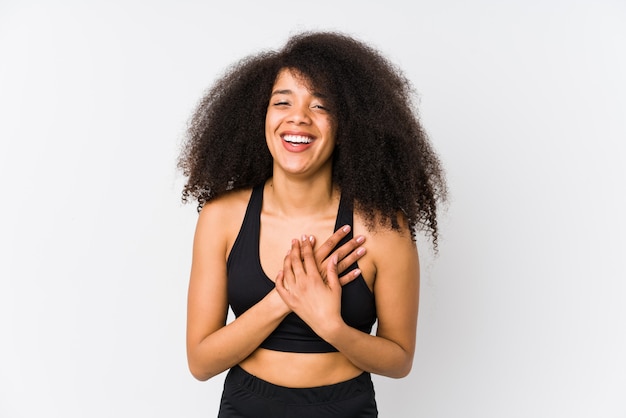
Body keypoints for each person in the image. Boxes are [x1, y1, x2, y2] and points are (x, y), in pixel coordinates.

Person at [178, 31, 447, 417]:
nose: (298, 117)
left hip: (344, 407)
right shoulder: (222, 218)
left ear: (345, 126)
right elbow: (201, 362)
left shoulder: (384, 229)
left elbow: (399, 360)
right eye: (282, 102)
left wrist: (330, 325)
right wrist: (285, 297)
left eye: (320, 105)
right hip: (246, 406)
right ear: (261, 116)